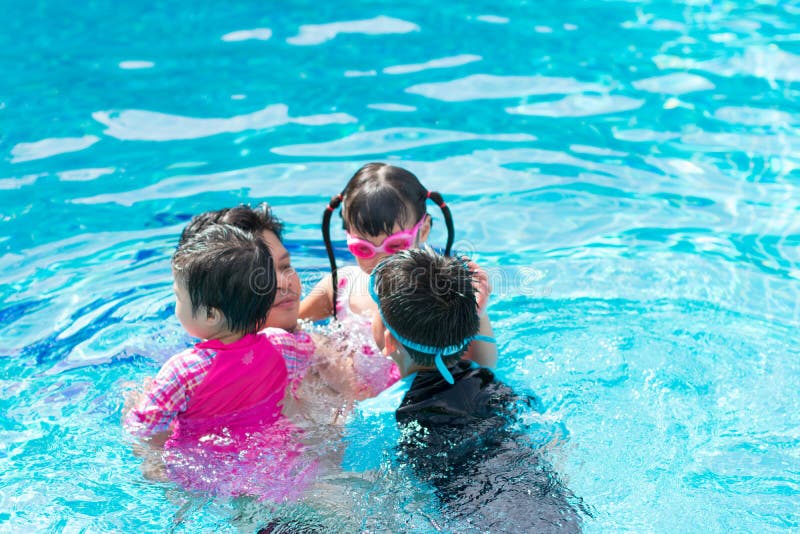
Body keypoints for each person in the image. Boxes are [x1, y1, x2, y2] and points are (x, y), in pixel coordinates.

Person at [343, 248, 584, 532]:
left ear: (389, 341)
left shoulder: (379, 413)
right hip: (555, 509)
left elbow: (360, 486)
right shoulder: (496, 382)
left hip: (473, 519)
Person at [124, 224, 316, 500]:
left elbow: (144, 429)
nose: (176, 306)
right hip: (277, 461)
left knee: (151, 468)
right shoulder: (281, 345)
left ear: (212, 314)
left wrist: (133, 405)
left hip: (203, 475)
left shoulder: (183, 371)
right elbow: (308, 352)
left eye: (179, 297)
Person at [299, 162, 497, 397]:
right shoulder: (339, 287)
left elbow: (483, 367)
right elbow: (290, 326)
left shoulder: (439, 293)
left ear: (423, 231)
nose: (380, 260)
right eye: (363, 248)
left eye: (395, 246)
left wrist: (478, 314)